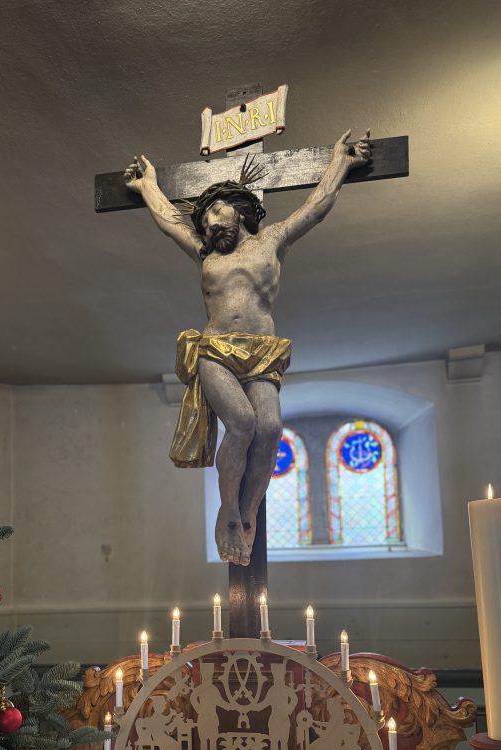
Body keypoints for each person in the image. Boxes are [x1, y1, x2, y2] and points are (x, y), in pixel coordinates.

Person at [125, 130, 371, 566]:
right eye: (203, 221)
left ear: (238, 209)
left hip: (262, 353)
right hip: (216, 350)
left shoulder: (271, 240)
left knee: (271, 427)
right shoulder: (205, 254)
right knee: (241, 421)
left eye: (215, 213)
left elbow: (316, 206)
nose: (208, 225)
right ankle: (229, 512)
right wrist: (148, 187)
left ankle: (250, 509)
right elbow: (170, 223)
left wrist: (341, 162)